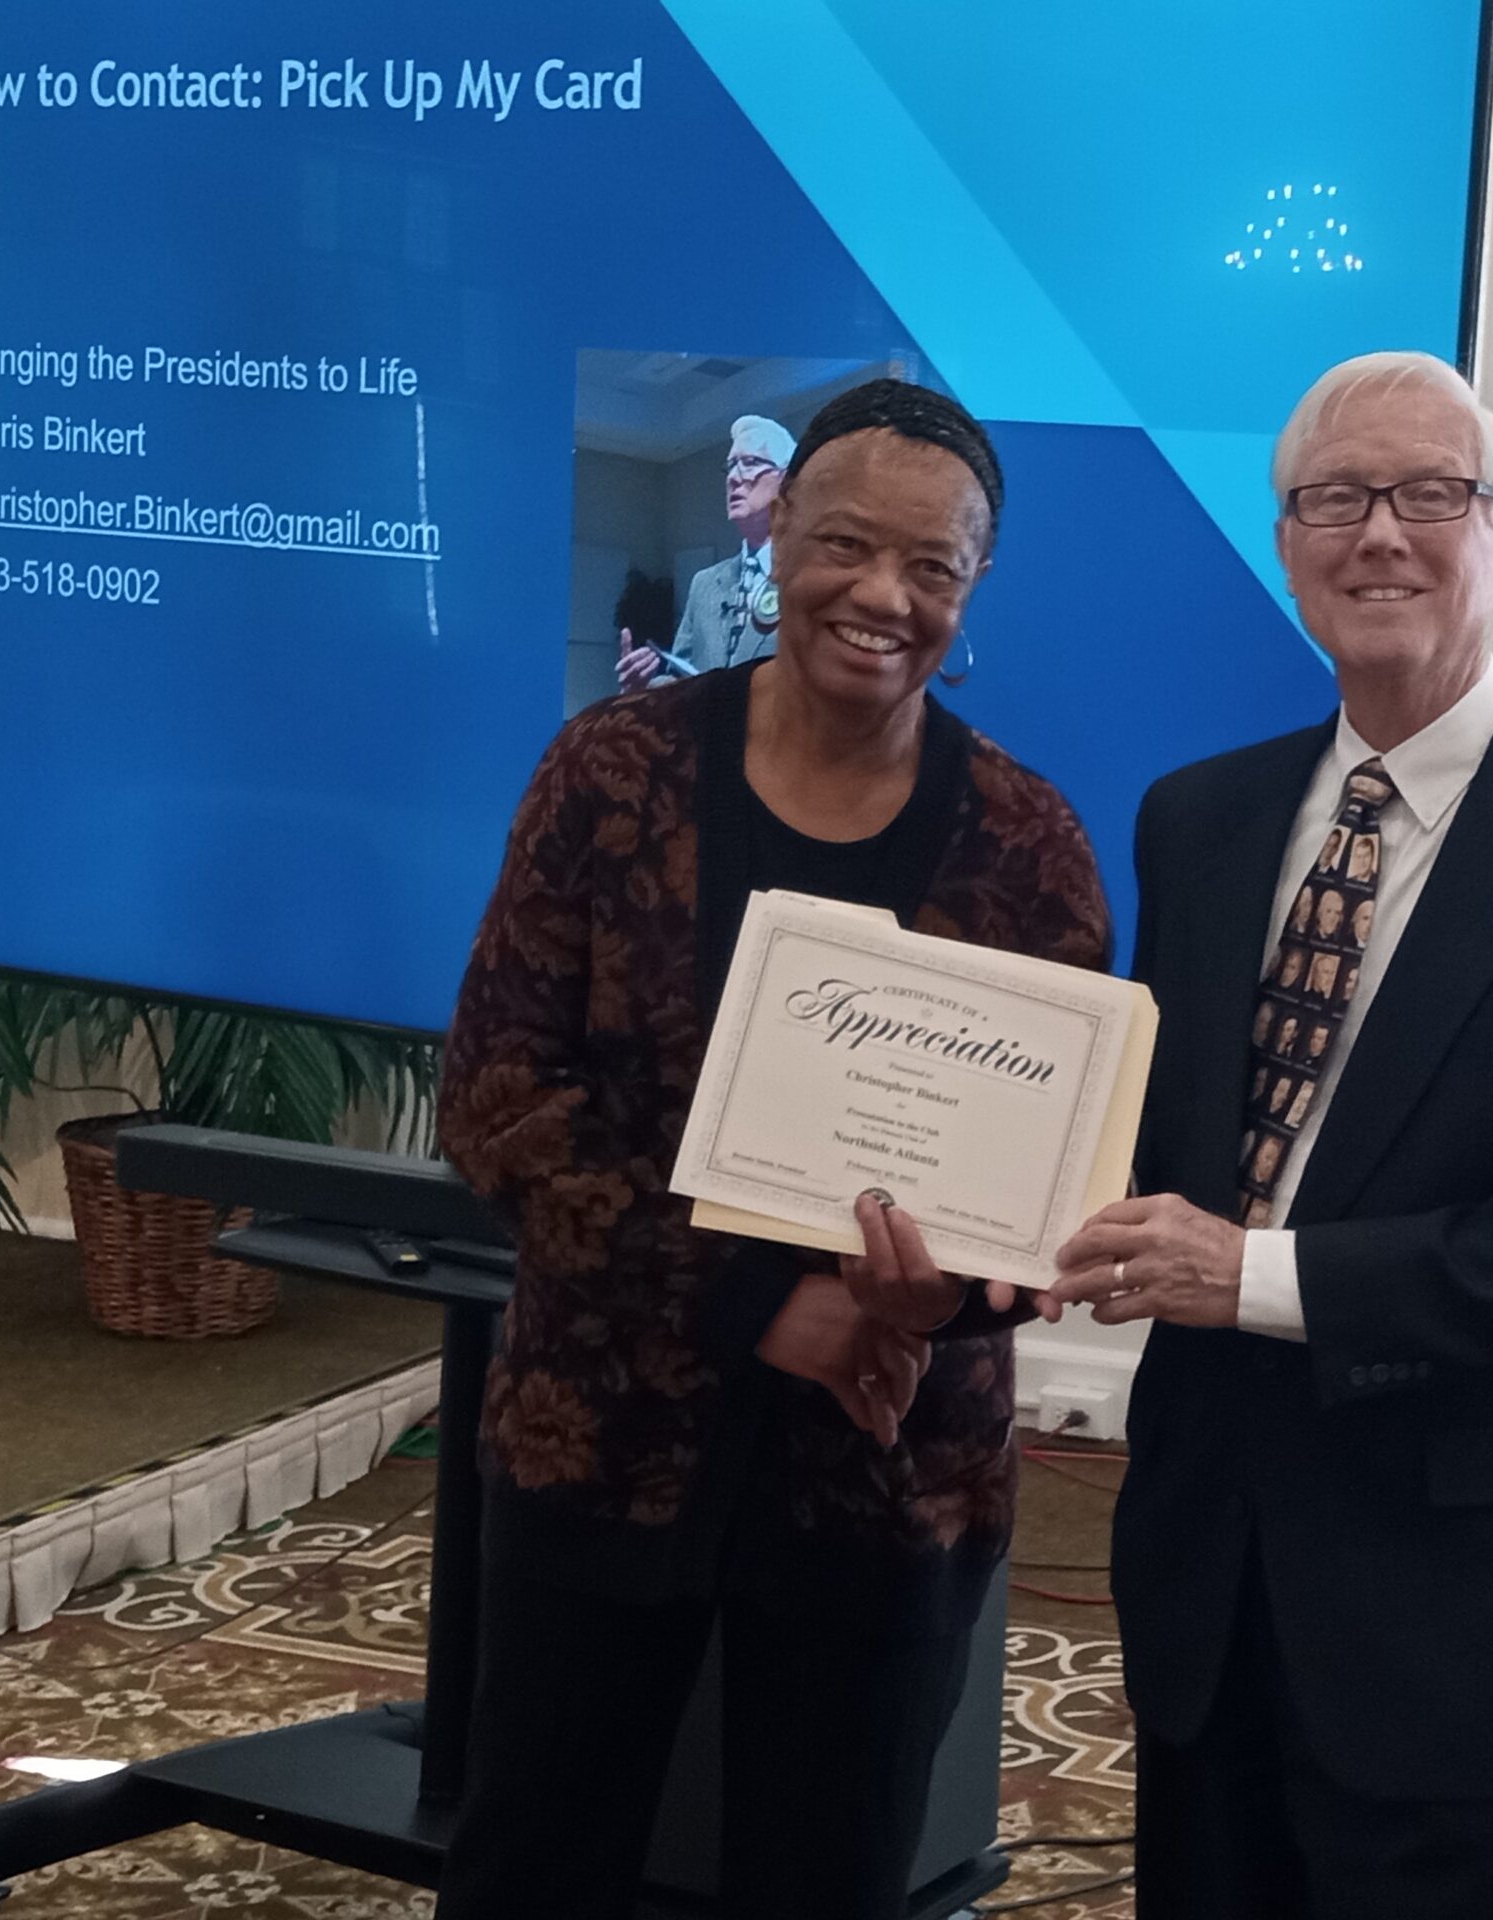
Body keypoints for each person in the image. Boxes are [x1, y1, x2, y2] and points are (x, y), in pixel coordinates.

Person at [1047, 351, 1493, 1919]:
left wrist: (1248, 1276)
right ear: (1288, 546)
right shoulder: (1198, 820)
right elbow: (1160, 1144)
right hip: (1211, 1582)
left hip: (1467, 1622)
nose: (1378, 532)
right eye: (1334, 499)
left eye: (1433, 493)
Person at [436, 378, 1111, 1920]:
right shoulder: (609, 773)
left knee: (832, 1884)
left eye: (933, 567)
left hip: (887, 1474)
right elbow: (498, 1098)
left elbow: (1042, 1191)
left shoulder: (1028, 846)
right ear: (779, 536)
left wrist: (947, 1300)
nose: (883, 596)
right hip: (599, 1436)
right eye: (847, 545)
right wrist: (764, 1303)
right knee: (534, 1870)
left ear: (974, 586)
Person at [618, 413, 797, 689]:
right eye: (731, 466)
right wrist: (641, 688)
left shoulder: (804, 577)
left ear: (785, 481)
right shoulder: (705, 585)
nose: (734, 478)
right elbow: (680, 683)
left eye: (750, 463)